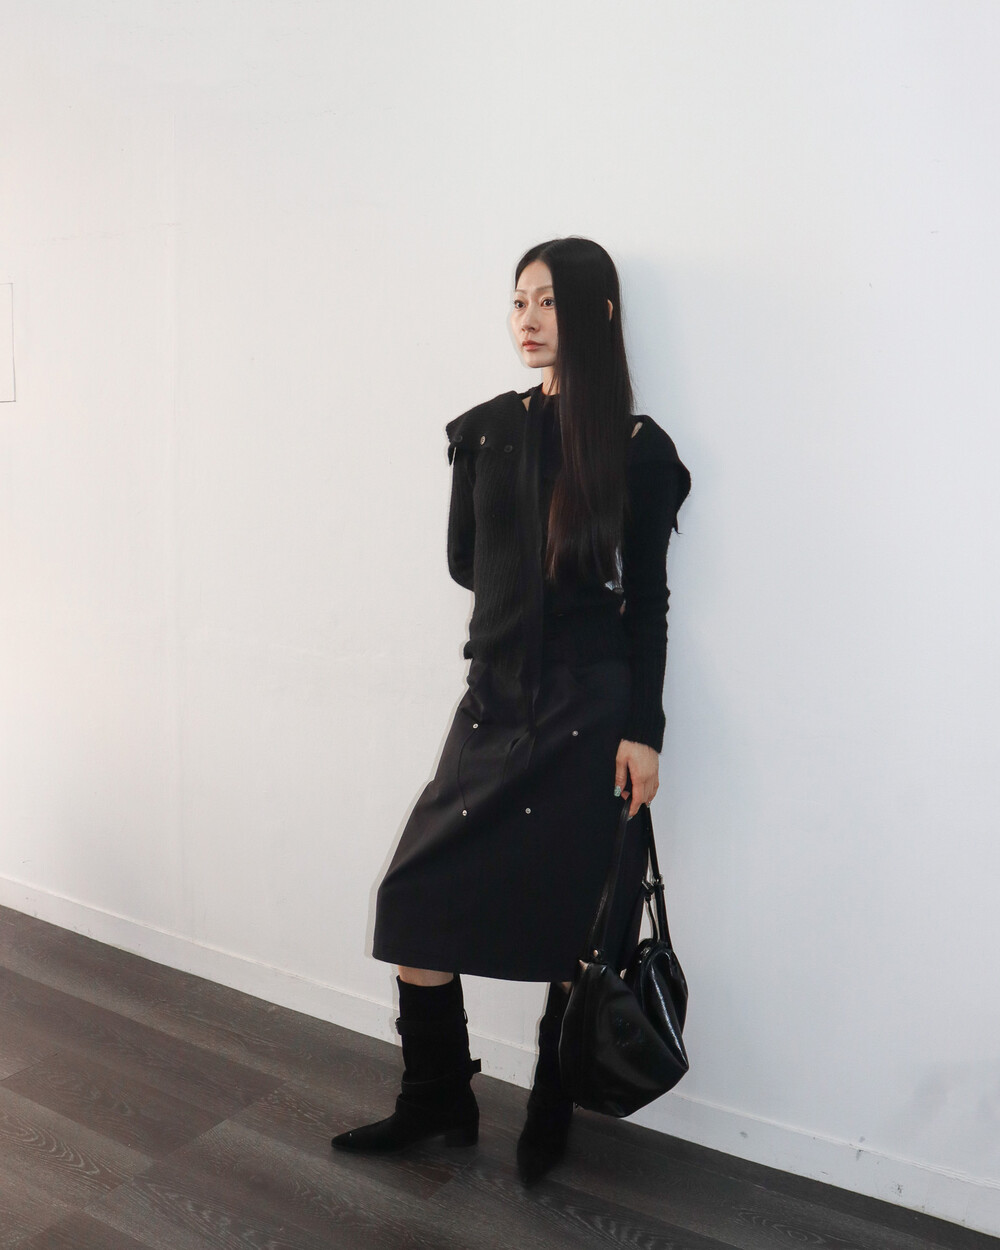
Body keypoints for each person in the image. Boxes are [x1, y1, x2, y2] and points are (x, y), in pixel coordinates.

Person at [331, 236, 691, 1185]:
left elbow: (648, 604)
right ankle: (437, 1098)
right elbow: (468, 562)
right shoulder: (488, 430)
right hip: (493, 700)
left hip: (589, 713)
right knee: (412, 900)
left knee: (576, 926)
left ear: (598, 314)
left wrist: (644, 731)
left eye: (547, 301)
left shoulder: (638, 450)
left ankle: (551, 1109)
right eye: (518, 301)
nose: (525, 320)